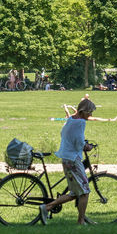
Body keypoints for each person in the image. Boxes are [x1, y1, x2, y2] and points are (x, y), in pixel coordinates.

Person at [39, 96, 99, 225]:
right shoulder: (81, 122)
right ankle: (80, 220)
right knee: (84, 191)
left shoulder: (71, 119)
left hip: (66, 157)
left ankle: (49, 208)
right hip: (73, 159)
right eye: (90, 112)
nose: (91, 115)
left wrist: (80, 143)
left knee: (74, 192)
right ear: (83, 111)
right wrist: (86, 147)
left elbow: (67, 134)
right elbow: (78, 141)